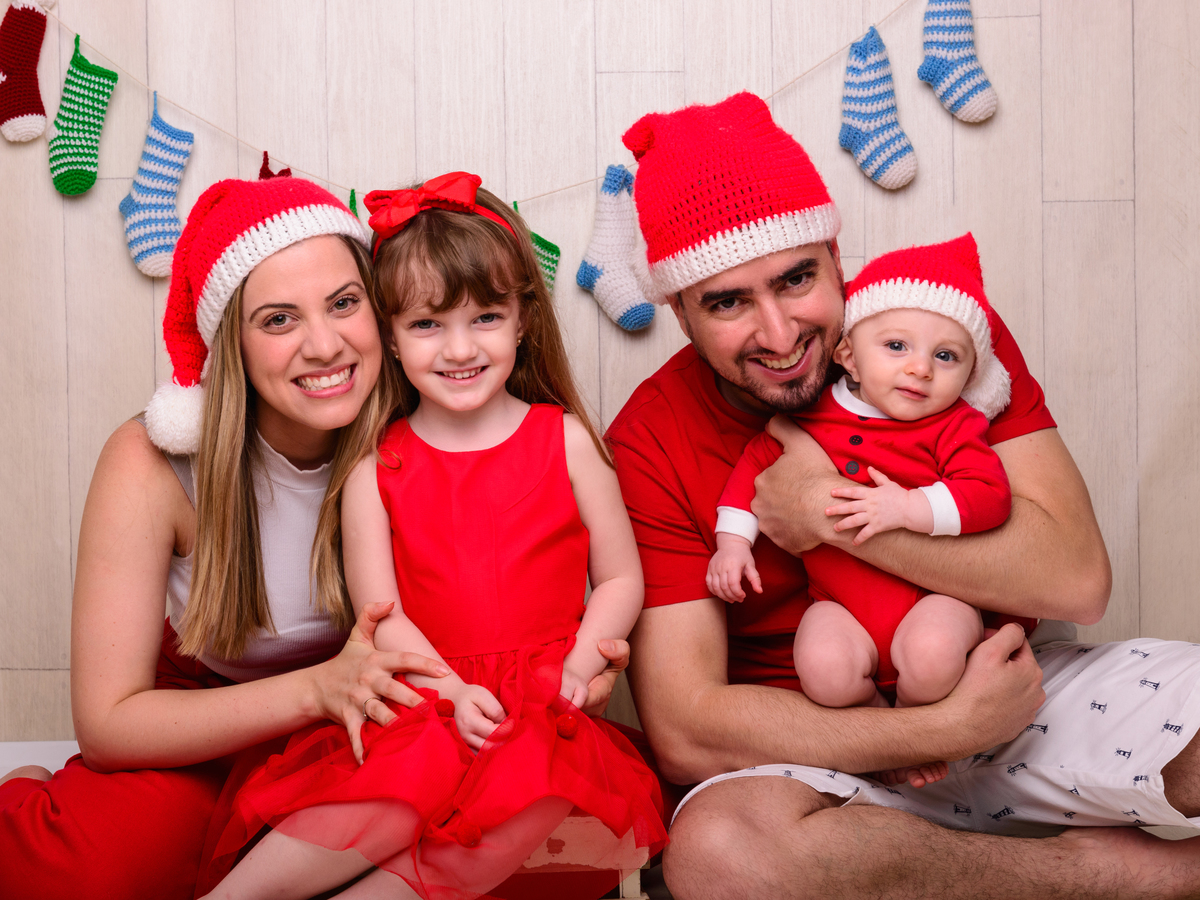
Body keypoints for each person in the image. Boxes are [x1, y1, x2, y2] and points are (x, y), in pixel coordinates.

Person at [606, 91, 1200, 899]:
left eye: (796, 278)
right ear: (679, 311)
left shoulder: (933, 332)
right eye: (728, 301)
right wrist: (939, 728)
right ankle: (1105, 876)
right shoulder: (650, 437)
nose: (779, 334)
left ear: (834, 253)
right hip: (813, 750)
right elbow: (685, 728)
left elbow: (1077, 579)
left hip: (1009, 685)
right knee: (719, 854)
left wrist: (829, 516)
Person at [0, 174, 629, 900]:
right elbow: (110, 725)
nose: (324, 345)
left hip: (393, 728)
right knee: (83, 876)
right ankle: (27, 793)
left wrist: (569, 667)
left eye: (343, 303)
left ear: (384, 315)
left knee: (528, 851)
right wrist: (317, 691)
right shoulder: (155, 463)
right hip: (213, 725)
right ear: (232, 341)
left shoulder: (439, 419)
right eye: (278, 320)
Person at [198, 172, 668, 900]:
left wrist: (581, 661)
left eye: (485, 317)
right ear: (388, 336)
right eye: (426, 325)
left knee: (536, 786)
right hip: (426, 696)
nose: (458, 348)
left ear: (523, 320)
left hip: (543, 703)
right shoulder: (374, 467)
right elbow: (380, 615)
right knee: (399, 783)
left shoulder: (568, 441)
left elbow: (620, 578)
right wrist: (448, 691)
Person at [708, 235, 1019, 768]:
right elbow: (754, 469)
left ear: (970, 374)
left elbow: (990, 496)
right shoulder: (812, 414)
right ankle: (886, 731)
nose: (920, 368)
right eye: (897, 347)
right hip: (840, 605)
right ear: (848, 355)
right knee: (823, 670)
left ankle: (922, 730)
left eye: (945, 356)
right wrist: (732, 545)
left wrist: (908, 509)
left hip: (933, 599)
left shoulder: (953, 426)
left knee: (933, 656)